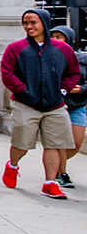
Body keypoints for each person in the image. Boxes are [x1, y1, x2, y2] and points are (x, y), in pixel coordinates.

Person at [0, 8, 81, 199]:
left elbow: (73, 73)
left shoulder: (63, 49)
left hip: (55, 105)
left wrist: (62, 90)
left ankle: (50, 183)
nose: (29, 27)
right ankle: (12, 165)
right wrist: (24, 91)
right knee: (22, 144)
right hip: (25, 103)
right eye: (25, 23)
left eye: (33, 22)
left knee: (53, 144)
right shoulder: (15, 48)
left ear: (44, 23)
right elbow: (7, 74)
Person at [48, 25, 85, 188]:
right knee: (61, 142)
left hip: (77, 105)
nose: (55, 40)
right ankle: (62, 173)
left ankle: (54, 165)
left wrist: (82, 89)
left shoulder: (82, 59)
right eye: (53, 36)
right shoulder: (46, 57)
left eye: (59, 37)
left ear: (69, 40)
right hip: (56, 106)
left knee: (75, 144)